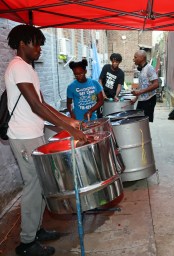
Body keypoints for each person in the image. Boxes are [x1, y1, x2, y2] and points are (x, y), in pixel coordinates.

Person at [5, 24, 86, 256]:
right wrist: (67, 128)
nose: (39, 48)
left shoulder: (27, 68)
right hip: (23, 136)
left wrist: (68, 122)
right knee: (33, 186)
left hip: (34, 133)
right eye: (36, 43)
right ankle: (27, 242)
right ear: (23, 44)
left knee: (41, 183)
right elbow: (35, 105)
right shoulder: (18, 67)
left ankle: (37, 229)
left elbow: (44, 103)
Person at [132, 50, 159, 122]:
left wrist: (140, 92)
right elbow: (142, 85)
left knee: (144, 123)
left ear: (142, 58)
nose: (133, 59)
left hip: (149, 100)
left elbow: (156, 84)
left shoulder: (149, 68)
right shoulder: (141, 69)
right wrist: (136, 98)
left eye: (135, 57)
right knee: (139, 121)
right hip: (142, 99)